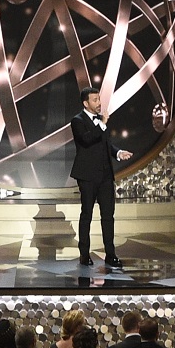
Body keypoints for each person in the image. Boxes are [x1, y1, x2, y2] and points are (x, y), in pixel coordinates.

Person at [69, 89, 130, 269]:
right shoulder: (77, 121)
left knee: (108, 216)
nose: (99, 103)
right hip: (87, 176)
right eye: (95, 100)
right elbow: (87, 140)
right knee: (86, 214)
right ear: (85, 103)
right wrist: (102, 124)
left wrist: (118, 153)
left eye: (99, 99)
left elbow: (105, 144)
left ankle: (110, 254)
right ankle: (84, 254)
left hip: (105, 176)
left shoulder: (100, 123)